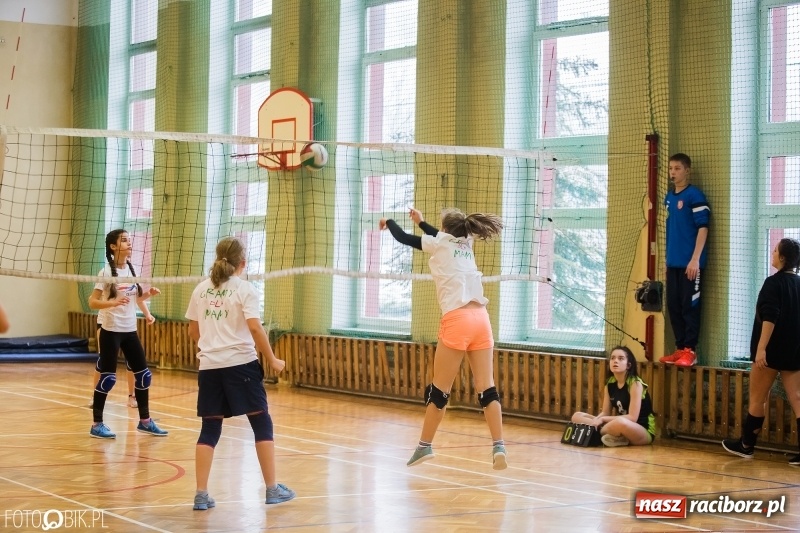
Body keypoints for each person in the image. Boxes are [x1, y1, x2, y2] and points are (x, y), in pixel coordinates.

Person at [378, 207, 507, 470]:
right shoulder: (466, 244)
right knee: (487, 388)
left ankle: (424, 446)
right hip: (481, 319)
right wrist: (423, 222)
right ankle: (499, 445)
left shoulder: (439, 244)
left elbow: (404, 238)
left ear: (446, 229)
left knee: (439, 391)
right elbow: (440, 236)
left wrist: (388, 221)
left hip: (457, 320)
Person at [185, 236, 295, 510]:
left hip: (209, 368)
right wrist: (272, 359)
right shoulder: (245, 289)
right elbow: (256, 328)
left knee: (210, 428)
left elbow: (193, 332)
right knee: (261, 423)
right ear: (242, 263)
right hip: (241, 366)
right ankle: (272, 489)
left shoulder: (200, 289)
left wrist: (213, 348)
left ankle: (201, 494)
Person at [722, 238, 800, 465]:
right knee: (797, 398)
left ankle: (746, 445)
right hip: (794, 350)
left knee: (758, 398)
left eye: (775, 250)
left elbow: (770, 316)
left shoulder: (772, 283)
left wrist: (761, 349)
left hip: (771, 352)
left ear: (783, 258)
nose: (772, 253)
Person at [87, 229, 166, 439]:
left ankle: (145, 421)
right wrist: (111, 303)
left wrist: (149, 294)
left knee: (144, 375)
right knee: (108, 378)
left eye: (129, 240)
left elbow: (137, 299)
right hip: (110, 330)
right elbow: (92, 302)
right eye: (124, 240)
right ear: (113, 247)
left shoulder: (132, 272)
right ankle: (97, 424)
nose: (129, 243)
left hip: (130, 330)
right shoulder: (105, 273)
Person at [659, 153, 710, 367]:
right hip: (674, 264)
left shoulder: (694, 196)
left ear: (687, 170)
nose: (673, 172)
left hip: (691, 265)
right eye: (671, 168)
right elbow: (672, 231)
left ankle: (691, 351)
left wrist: (695, 260)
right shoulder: (669, 198)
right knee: (673, 305)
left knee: (690, 306)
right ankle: (680, 348)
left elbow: (703, 228)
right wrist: (666, 261)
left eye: (677, 168)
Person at [571, 345, 656, 447]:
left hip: (642, 430)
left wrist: (603, 420)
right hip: (616, 424)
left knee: (620, 422)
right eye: (613, 358)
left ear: (628, 365)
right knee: (577, 416)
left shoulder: (635, 383)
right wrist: (596, 420)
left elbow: (632, 418)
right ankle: (614, 437)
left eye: (621, 358)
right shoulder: (610, 384)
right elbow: (605, 412)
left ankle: (597, 434)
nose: (615, 361)